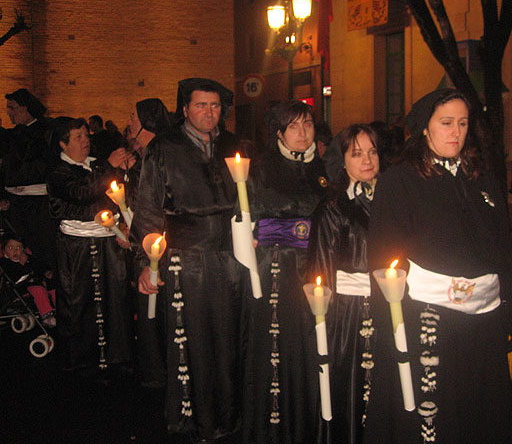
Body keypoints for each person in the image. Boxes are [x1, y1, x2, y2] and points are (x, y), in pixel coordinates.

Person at [363, 88, 512, 444]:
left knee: (480, 415)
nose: (456, 132)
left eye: (463, 123)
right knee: (435, 418)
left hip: (483, 323)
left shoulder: (481, 176)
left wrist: (511, 309)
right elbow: (383, 256)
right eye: (446, 123)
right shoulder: (401, 181)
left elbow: (502, 247)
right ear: (425, 127)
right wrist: (389, 322)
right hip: (429, 321)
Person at [132, 78, 243, 443]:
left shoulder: (232, 146)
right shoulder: (164, 148)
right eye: (200, 105)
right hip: (186, 259)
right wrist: (145, 264)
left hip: (230, 256)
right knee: (193, 343)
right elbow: (147, 211)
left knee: (229, 339)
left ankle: (230, 415)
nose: (208, 113)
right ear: (184, 109)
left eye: (214, 106)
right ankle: (198, 420)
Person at [242, 100, 328, 444]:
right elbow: (246, 215)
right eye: (293, 126)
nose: (302, 133)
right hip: (274, 267)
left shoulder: (325, 168)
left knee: (310, 341)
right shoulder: (261, 170)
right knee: (275, 343)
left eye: (307, 125)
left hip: (314, 267)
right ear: (279, 132)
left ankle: (309, 419)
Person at [307, 123, 380, 443]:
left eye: (373, 151)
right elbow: (320, 268)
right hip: (348, 314)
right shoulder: (332, 208)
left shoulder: (392, 201)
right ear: (342, 160)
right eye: (357, 153)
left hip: (386, 306)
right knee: (350, 386)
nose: (367, 160)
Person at [47, 117, 135, 372]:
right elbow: (82, 193)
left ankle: (118, 356)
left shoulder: (96, 166)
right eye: (78, 137)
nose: (86, 141)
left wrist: (127, 167)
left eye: (87, 135)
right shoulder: (58, 172)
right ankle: (83, 359)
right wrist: (110, 166)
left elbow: (119, 192)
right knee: (80, 301)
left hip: (110, 241)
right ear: (63, 145)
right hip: (76, 247)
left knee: (116, 297)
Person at [125, 98, 172, 388]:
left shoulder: (161, 156)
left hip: (158, 248)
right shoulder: (141, 155)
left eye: (133, 116)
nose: (128, 122)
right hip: (141, 242)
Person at [2, 89, 58, 275]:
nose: (9, 112)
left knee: (41, 248)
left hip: (38, 205)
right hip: (16, 204)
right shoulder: (13, 134)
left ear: (25, 109)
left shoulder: (46, 132)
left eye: (12, 108)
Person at [1, 235, 56, 327]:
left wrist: (46, 273)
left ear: (23, 250)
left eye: (18, 248)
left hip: (36, 283)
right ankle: (47, 315)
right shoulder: (5, 263)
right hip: (21, 289)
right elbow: (16, 277)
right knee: (37, 289)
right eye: (10, 248)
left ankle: (61, 310)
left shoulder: (29, 259)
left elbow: (41, 267)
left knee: (53, 286)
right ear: (4, 250)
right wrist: (22, 265)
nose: (15, 251)